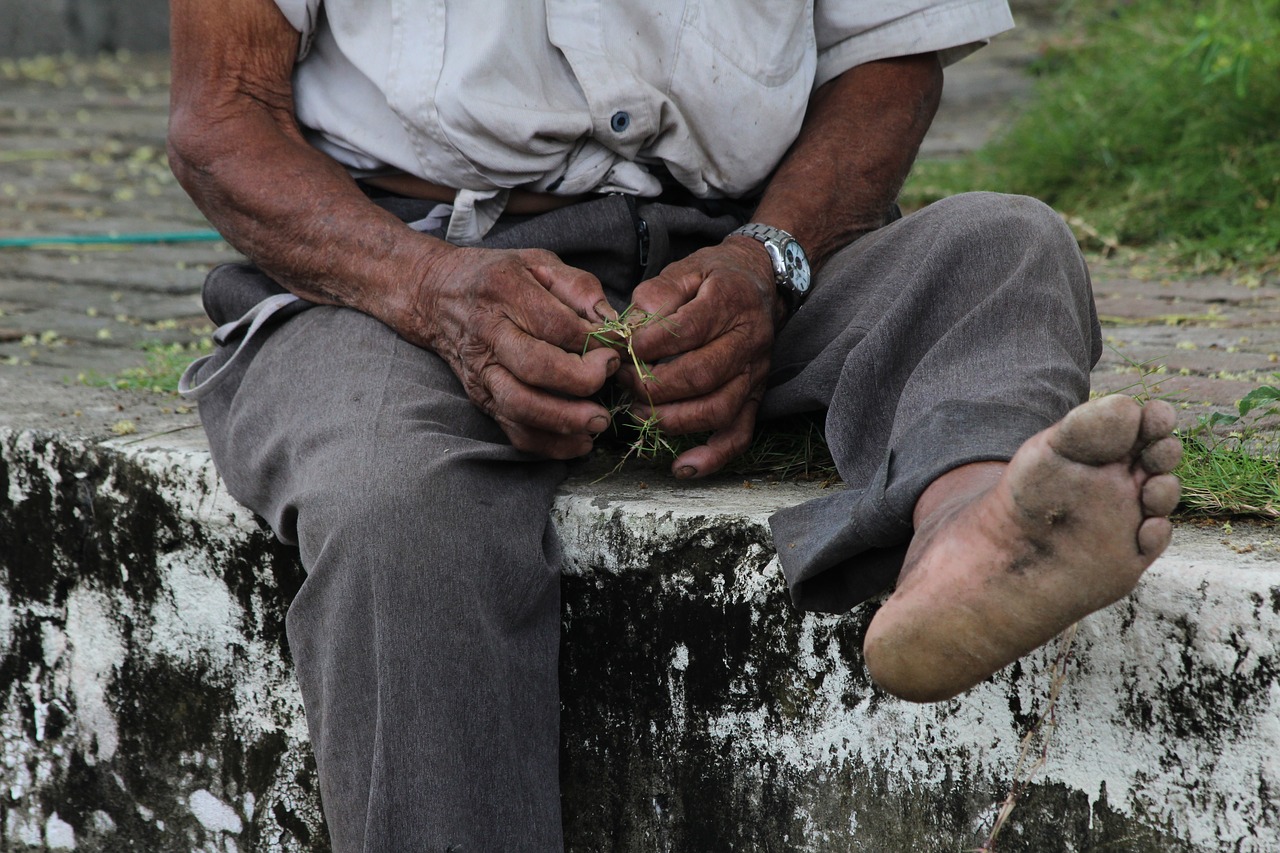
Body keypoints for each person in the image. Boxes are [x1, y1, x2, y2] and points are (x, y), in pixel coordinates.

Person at [168, 0, 1183, 848]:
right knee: (396, 507)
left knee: (1001, 245)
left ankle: (968, 521)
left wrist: (768, 262)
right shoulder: (412, 284)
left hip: (736, 251)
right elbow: (222, 119)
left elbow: (888, 61)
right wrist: (431, 291)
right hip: (401, 273)